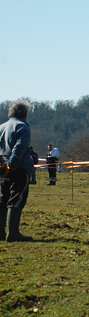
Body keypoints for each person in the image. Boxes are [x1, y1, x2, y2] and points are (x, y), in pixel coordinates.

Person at [0, 101, 35, 242]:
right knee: (17, 198)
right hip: (19, 168)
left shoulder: (2, 127)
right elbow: (20, 147)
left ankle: (1, 233)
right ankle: (13, 233)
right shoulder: (23, 127)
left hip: (2, 169)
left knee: (2, 199)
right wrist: (12, 164)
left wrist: (3, 165)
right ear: (25, 114)